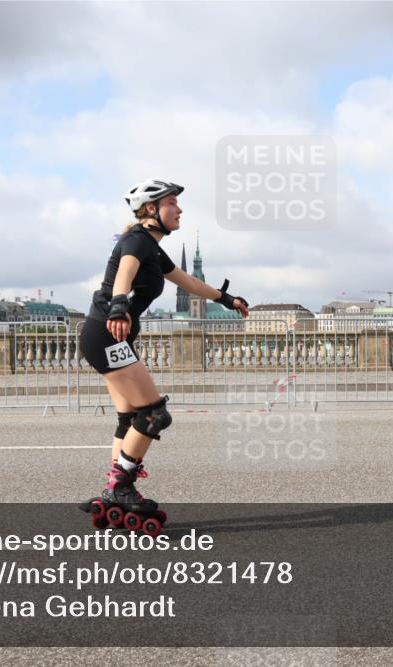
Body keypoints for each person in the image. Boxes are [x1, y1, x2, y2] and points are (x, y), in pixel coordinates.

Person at [78, 178, 250, 529]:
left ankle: (114, 488)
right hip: (108, 333)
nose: (180, 209)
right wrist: (119, 306)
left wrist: (225, 299)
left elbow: (187, 282)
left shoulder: (152, 248)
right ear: (152, 209)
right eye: (173, 203)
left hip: (107, 335)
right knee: (155, 415)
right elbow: (125, 271)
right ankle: (121, 486)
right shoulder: (136, 240)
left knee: (130, 418)